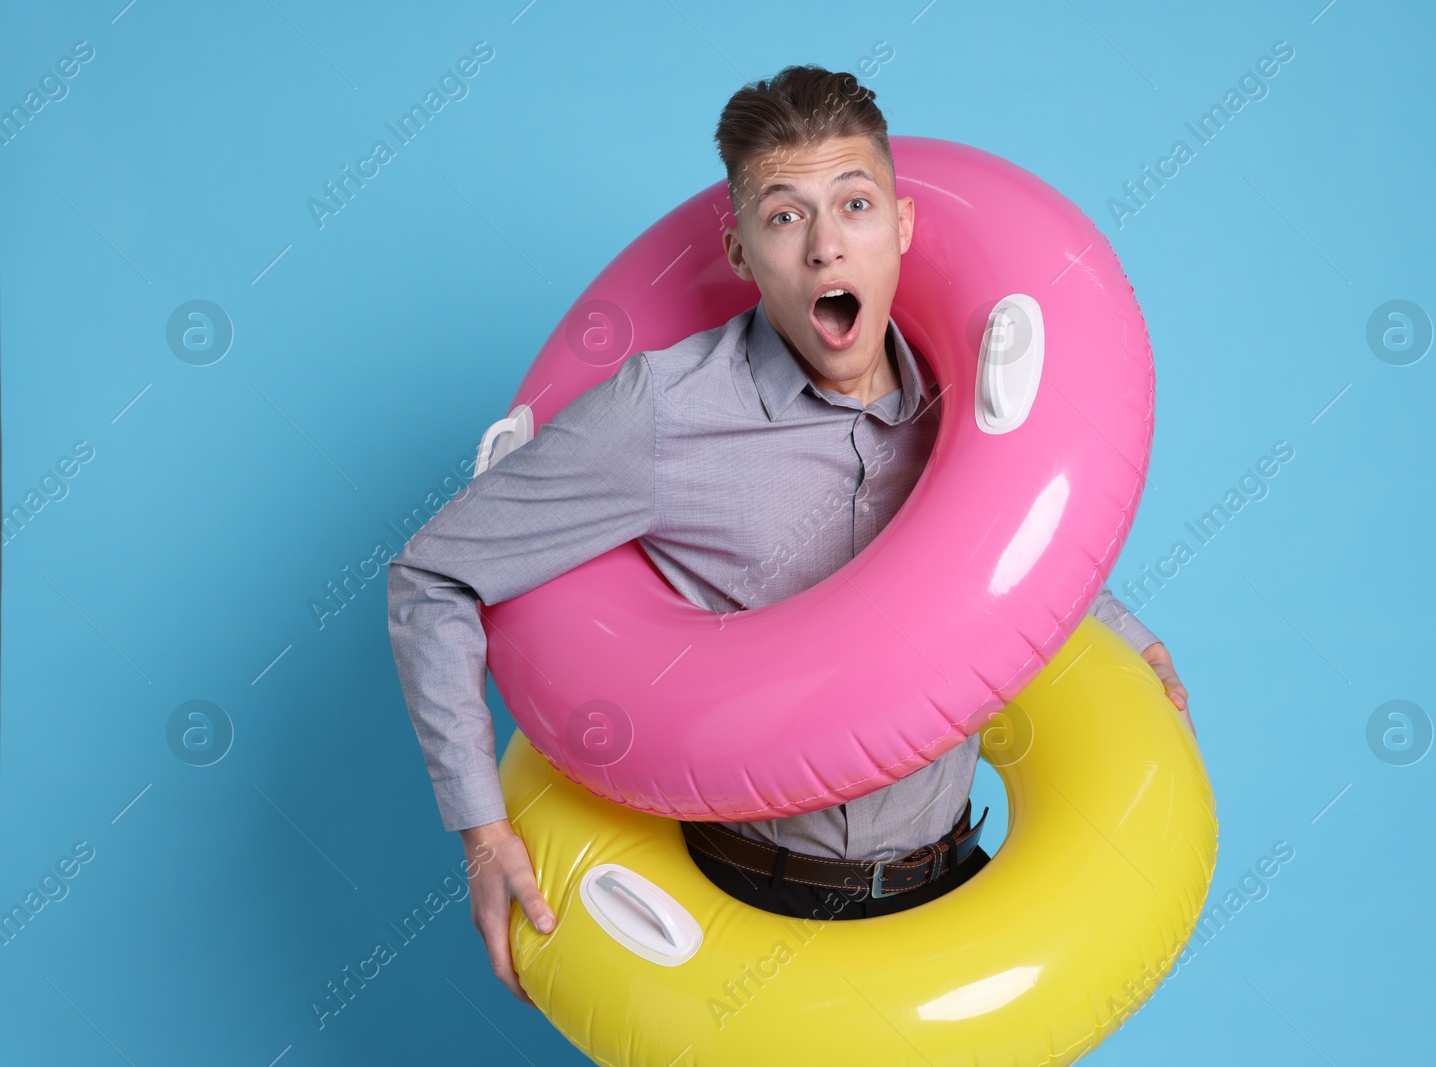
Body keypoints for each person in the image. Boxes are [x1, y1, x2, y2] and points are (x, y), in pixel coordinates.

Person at [386, 64, 1191, 1008]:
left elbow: (994, 567)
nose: (824, 249)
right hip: (749, 917)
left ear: (901, 227)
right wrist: (481, 833)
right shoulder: (662, 415)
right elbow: (431, 575)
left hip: (955, 893)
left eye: (854, 204)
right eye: (784, 216)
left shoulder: (962, 406)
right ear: (739, 250)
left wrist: (1134, 644)